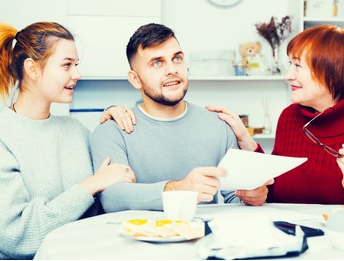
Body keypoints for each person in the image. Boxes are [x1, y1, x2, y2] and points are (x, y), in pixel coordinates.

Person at [0, 22, 135, 260]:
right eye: (67, 65)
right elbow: (17, 236)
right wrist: (91, 185)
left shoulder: (76, 131)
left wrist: (110, 126)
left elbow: (102, 203)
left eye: (76, 65)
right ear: (33, 70)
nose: (77, 74)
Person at [208, 24, 344, 205]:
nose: (288, 76)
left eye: (298, 66)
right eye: (290, 64)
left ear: (332, 71)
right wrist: (246, 141)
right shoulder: (289, 117)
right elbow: (275, 192)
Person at [91, 23, 269, 213]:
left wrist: (253, 196)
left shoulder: (218, 125)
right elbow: (111, 198)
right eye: (157, 63)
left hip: (203, 239)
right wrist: (178, 189)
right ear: (135, 79)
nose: (172, 69)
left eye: (177, 58)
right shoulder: (112, 130)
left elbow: (235, 196)